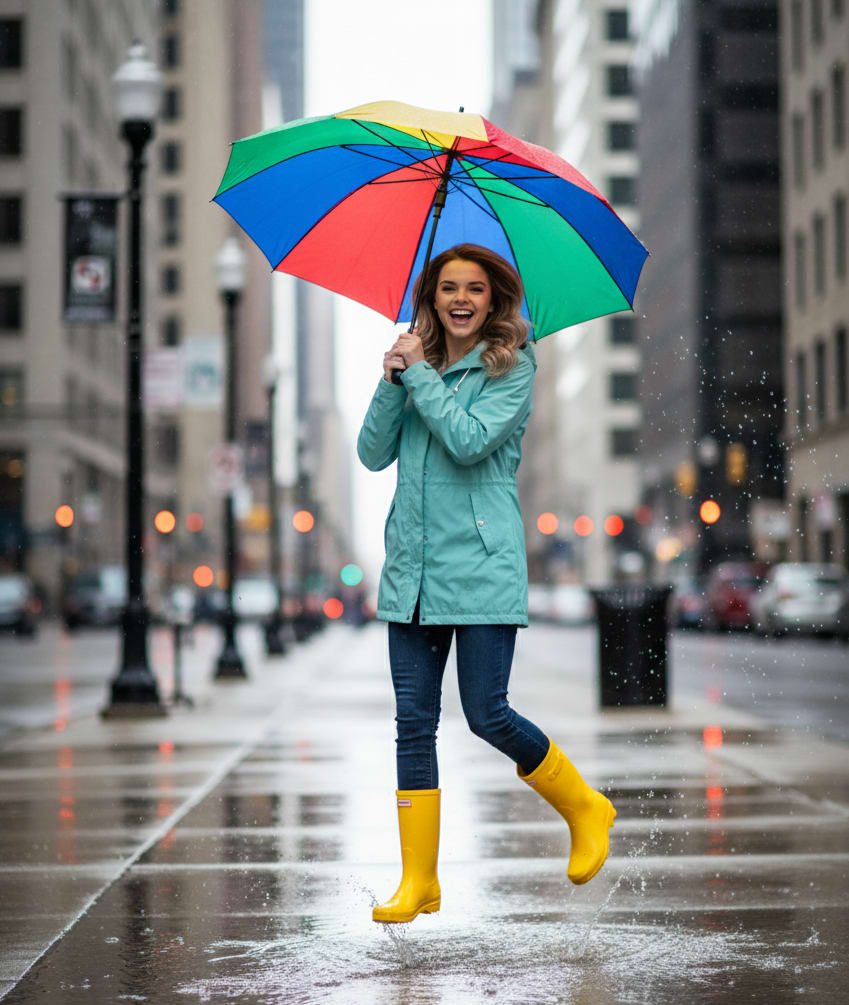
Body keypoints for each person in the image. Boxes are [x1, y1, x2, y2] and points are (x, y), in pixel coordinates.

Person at [357, 244, 616, 924]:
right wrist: (391, 379)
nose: (461, 297)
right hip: (412, 571)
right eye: (449, 287)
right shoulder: (414, 361)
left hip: (479, 564)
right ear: (432, 296)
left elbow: (468, 440)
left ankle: (584, 805)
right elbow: (371, 452)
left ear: (494, 297)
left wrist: (417, 378)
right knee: (412, 724)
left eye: (475, 286)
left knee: (485, 712)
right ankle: (418, 879)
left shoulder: (513, 365)